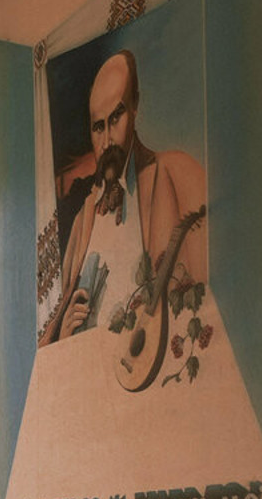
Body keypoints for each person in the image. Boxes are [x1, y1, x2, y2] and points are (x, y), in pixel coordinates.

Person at [41, 50, 207, 345]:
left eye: (116, 117)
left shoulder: (176, 174)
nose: (107, 141)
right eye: (98, 127)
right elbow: (61, 322)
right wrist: (65, 335)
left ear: (135, 107)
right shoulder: (83, 219)